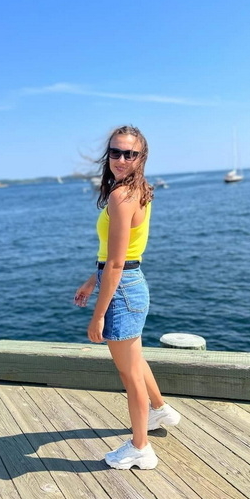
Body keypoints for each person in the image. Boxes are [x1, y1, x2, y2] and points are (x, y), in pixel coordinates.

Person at [74, 125, 180, 470]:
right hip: (131, 283)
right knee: (135, 361)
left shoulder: (121, 196)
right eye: (115, 152)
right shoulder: (138, 190)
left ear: (141, 157)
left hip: (122, 289)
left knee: (129, 374)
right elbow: (118, 255)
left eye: (129, 153)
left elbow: (117, 263)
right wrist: (92, 281)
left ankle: (140, 448)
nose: (121, 159)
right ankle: (159, 409)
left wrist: (98, 314)